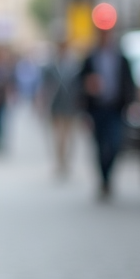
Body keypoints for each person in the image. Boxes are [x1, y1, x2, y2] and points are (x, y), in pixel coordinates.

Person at [80, 27, 136, 199]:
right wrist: (88, 87)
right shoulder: (90, 58)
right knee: (99, 145)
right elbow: (80, 83)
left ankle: (109, 176)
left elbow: (129, 83)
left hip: (116, 109)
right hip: (97, 109)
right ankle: (103, 179)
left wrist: (131, 104)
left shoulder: (121, 58)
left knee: (115, 144)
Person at [40, 38, 83, 178]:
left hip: (70, 105)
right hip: (56, 105)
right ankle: (60, 161)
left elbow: (78, 85)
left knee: (68, 135)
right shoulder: (51, 65)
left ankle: (66, 160)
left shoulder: (74, 65)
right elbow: (45, 86)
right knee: (58, 135)